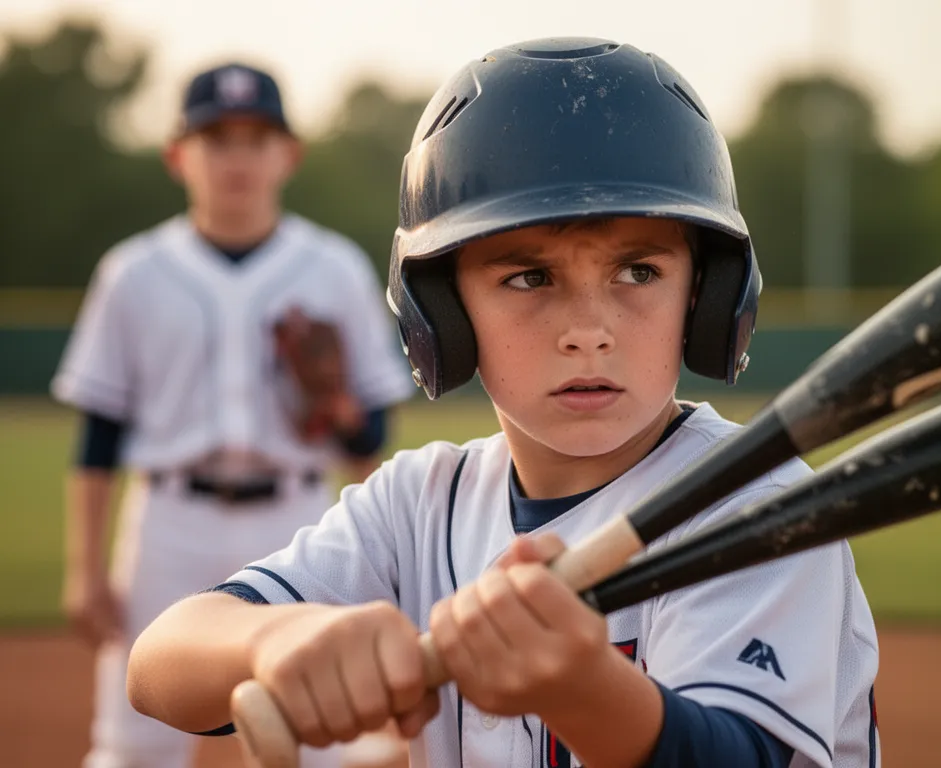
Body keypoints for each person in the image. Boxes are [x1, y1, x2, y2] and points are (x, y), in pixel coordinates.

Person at [125, 39, 881, 768]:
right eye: (528, 278)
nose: (588, 332)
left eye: (639, 272)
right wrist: (275, 641)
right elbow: (158, 665)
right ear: (442, 315)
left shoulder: (758, 507)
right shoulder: (420, 504)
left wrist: (580, 688)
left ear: (706, 297)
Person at [52, 61, 414, 768]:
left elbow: (369, 437)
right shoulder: (133, 272)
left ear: (289, 154)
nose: (238, 156)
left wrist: (338, 407)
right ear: (178, 155)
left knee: (310, 742)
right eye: (218, 138)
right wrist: (83, 568)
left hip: (295, 519)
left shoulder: (333, 267)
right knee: (135, 745)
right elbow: (98, 434)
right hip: (167, 526)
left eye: (257, 138)